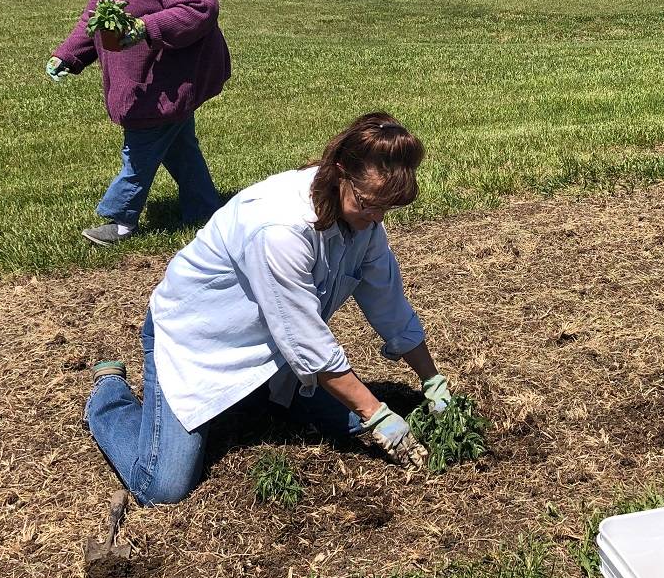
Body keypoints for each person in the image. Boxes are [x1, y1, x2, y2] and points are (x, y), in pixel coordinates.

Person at [84, 112, 454, 505]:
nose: (377, 218)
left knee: (351, 424)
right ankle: (108, 395)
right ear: (340, 169)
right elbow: (307, 342)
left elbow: (388, 303)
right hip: (197, 341)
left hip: (272, 343)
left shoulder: (363, 222)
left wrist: (431, 379)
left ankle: (262, 393)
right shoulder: (279, 228)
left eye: (387, 208)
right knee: (161, 487)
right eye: (369, 203)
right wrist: (375, 413)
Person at [47, 0, 231, 247]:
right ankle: (206, 210)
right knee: (179, 146)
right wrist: (68, 54)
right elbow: (95, 16)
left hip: (170, 77)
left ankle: (119, 220)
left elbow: (200, 8)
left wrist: (147, 27)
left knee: (141, 146)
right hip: (139, 77)